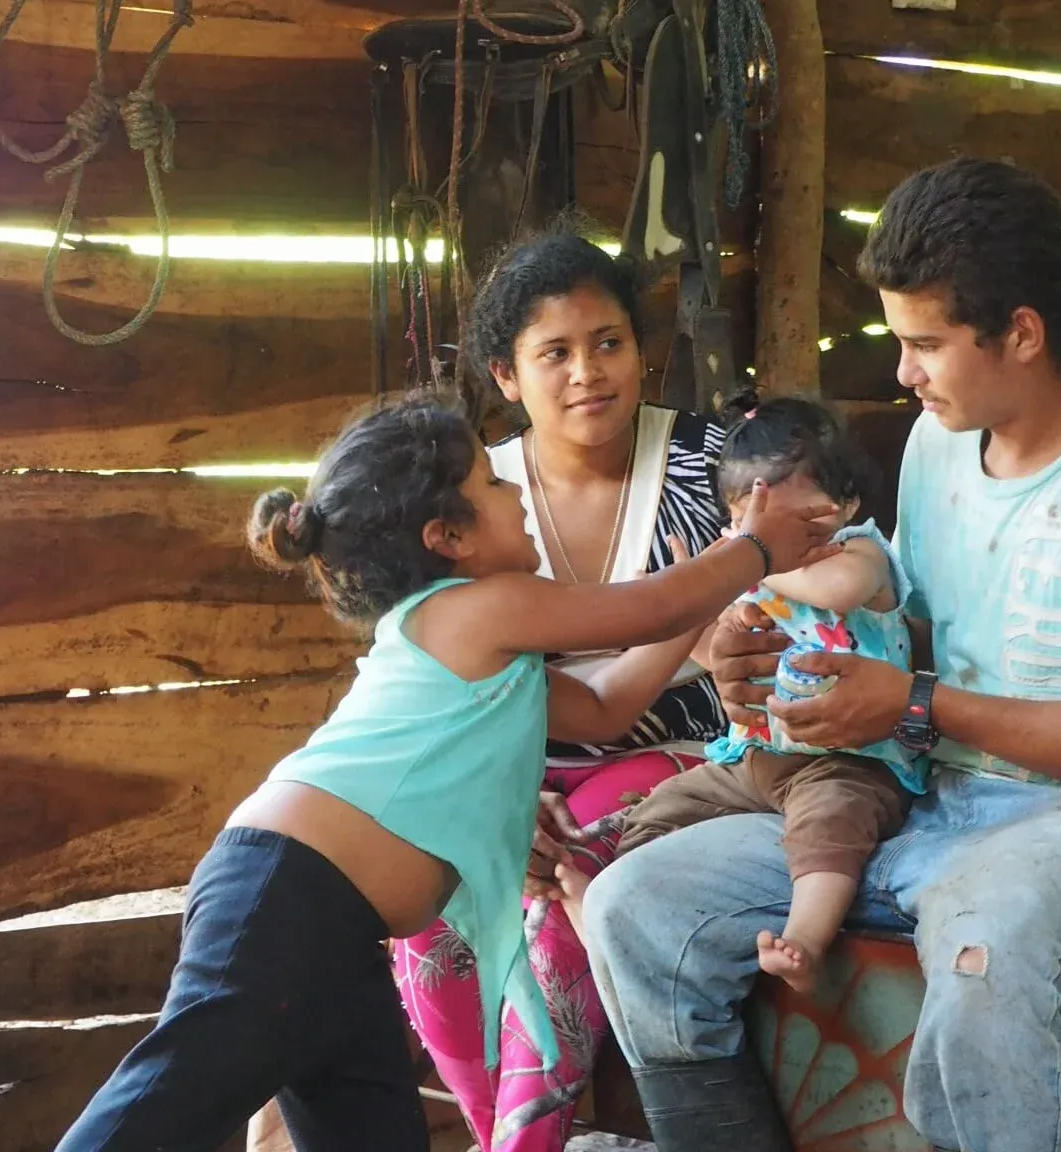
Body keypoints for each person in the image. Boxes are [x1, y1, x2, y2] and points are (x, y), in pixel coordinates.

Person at [578, 157, 1061, 1152]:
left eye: (925, 344)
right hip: (926, 797)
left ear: (1021, 332)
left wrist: (912, 702)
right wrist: (781, 660)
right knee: (637, 904)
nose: (902, 373)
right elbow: (915, 631)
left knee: (983, 947)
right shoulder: (937, 446)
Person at [54, 392, 836, 1152]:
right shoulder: (482, 607)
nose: (514, 493)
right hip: (285, 899)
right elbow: (644, 609)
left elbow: (602, 705)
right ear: (449, 536)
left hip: (333, 929)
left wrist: (702, 602)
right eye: (493, 486)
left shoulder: (474, 641)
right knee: (162, 1107)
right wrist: (753, 551)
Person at [389, 232, 742, 1152]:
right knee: (432, 924)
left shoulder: (716, 468)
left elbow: (802, 606)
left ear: (640, 348)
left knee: (559, 907)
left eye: (609, 342)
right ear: (507, 375)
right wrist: (507, 796)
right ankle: (497, 1135)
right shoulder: (477, 498)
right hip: (518, 768)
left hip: (683, 764)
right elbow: (460, 677)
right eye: (555, 353)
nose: (589, 372)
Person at [557, 390, 923, 996]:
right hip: (752, 761)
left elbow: (838, 592)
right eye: (749, 526)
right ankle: (603, 922)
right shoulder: (759, 573)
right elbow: (707, 658)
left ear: (847, 502)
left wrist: (747, 561)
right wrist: (689, 604)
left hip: (850, 761)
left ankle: (803, 938)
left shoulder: (859, 552)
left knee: (832, 826)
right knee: (659, 812)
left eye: (796, 524)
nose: (773, 541)